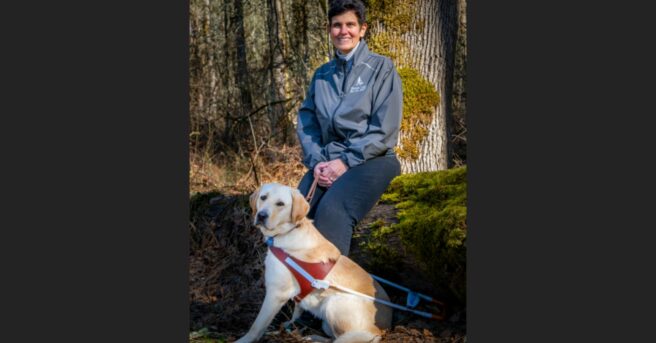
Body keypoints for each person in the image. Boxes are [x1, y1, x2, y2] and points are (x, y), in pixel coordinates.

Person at [296, 0, 403, 256]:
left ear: (362, 29)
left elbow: (384, 130)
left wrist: (345, 162)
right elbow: (307, 123)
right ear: (329, 29)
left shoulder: (381, 68)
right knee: (297, 212)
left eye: (350, 25)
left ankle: (333, 291)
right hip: (327, 162)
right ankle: (299, 292)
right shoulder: (322, 75)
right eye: (337, 25)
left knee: (332, 211)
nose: (343, 31)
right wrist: (318, 162)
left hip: (373, 160)